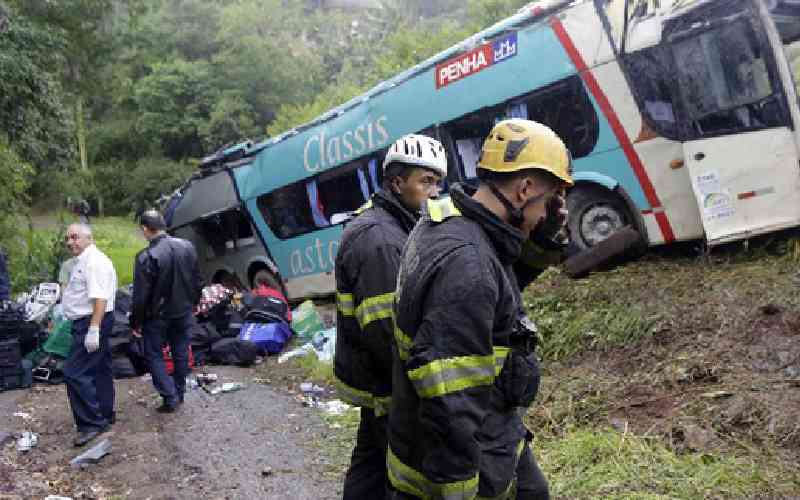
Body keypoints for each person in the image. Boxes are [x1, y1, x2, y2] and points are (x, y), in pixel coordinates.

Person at [387, 120, 573, 499]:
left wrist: (546, 235)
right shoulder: (468, 264)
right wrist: (463, 490)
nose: (545, 213)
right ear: (524, 189)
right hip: (466, 450)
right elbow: (450, 400)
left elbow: (500, 287)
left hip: (493, 425)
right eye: (547, 201)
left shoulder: (456, 220)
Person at [334, 134, 447, 499]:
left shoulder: (395, 222)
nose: (435, 191)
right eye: (426, 181)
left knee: (369, 468)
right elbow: (388, 331)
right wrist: (419, 390)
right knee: (403, 475)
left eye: (438, 182)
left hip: (378, 382)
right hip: (387, 385)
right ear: (397, 183)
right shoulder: (380, 239)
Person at [131, 210, 203, 413]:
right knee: (180, 351)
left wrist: (135, 322)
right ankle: (178, 392)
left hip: (157, 315)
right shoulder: (187, 246)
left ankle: (170, 396)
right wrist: (195, 302)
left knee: (154, 355)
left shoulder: (145, 257)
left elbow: (140, 296)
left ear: (145, 229)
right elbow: (198, 279)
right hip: (183, 310)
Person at [61, 223, 117, 447]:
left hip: (91, 321)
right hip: (89, 320)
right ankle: (104, 412)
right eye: (68, 238)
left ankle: (91, 423)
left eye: (75, 237)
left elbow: (100, 299)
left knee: (74, 372)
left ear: (88, 237)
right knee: (100, 367)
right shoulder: (84, 260)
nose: (70, 242)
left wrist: (93, 330)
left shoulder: (94, 262)